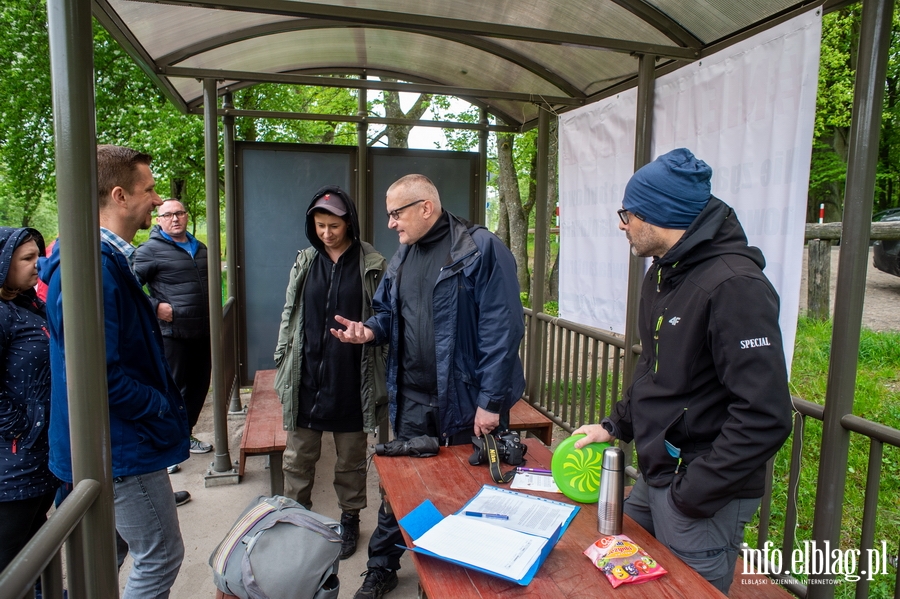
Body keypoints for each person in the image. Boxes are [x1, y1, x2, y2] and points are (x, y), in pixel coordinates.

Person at [572, 148, 792, 595]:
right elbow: (654, 368)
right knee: (619, 576)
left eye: (628, 213)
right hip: (658, 475)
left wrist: (692, 493)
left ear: (659, 215)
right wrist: (615, 424)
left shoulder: (735, 286)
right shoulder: (662, 273)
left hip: (700, 492)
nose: (622, 223)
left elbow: (766, 415)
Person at [331, 174, 525, 599]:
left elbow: (503, 328)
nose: (390, 224)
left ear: (425, 207)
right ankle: (382, 567)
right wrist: (369, 332)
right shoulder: (401, 257)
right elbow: (386, 313)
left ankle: (447, 582)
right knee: (406, 490)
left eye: (396, 214)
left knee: (466, 495)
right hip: (414, 399)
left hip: (469, 401)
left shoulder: (480, 248)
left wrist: (490, 402)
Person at [41, 145, 191, 598]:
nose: (157, 198)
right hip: (121, 446)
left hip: (112, 443)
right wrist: (160, 406)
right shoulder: (90, 267)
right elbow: (98, 378)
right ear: (121, 195)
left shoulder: (99, 259)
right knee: (160, 554)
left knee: (106, 557)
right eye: (149, 189)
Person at [273, 185, 387, 561]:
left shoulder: (371, 262)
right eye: (320, 226)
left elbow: (386, 316)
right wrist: (281, 359)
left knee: (350, 459)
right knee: (298, 457)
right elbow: (289, 314)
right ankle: (294, 519)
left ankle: (350, 517)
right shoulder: (306, 260)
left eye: (334, 225)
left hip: (352, 378)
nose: (326, 233)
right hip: (306, 377)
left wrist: (369, 334)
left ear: (348, 222)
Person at [134, 198, 213, 463]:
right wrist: (155, 306)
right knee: (173, 390)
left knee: (200, 387)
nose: (175, 219)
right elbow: (128, 287)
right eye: (168, 215)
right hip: (172, 335)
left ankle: (186, 435)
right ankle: (166, 446)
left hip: (203, 332)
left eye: (179, 213)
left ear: (187, 216)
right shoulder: (149, 250)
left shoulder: (200, 248)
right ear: (158, 221)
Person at [0, 227, 60, 574]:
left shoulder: (28, 305)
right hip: (13, 464)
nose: (38, 265)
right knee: (11, 559)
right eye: (27, 258)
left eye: (39, 256)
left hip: (35, 455)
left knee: (35, 542)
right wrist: (21, 428)